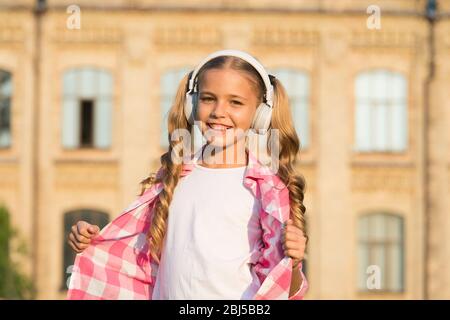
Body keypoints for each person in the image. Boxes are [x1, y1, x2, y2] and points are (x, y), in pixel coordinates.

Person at [67, 50, 309, 300]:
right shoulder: (172, 178)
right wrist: (91, 240)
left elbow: (285, 291)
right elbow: (133, 256)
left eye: (235, 102)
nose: (218, 111)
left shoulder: (267, 190)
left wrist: (291, 263)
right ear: (192, 105)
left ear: (260, 114)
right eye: (208, 99)